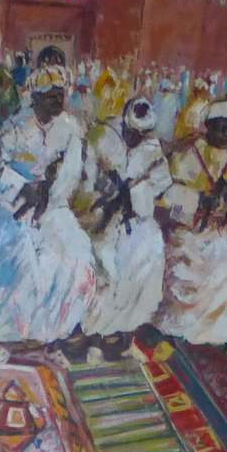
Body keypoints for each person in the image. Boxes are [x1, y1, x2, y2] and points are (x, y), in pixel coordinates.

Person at [0, 63, 94, 349]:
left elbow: (71, 174)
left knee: (75, 252)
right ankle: (14, 333)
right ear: (35, 98)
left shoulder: (71, 128)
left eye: (60, 95)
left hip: (53, 206)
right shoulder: (13, 128)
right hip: (13, 207)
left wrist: (47, 195)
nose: (58, 101)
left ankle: (57, 328)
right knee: (20, 258)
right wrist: (24, 189)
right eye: (50, 96)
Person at [155, 98, 227, 347]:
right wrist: (197, 203)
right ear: (209, 126)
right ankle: (180, 332)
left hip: (224, 230)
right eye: (221, 128)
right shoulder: (185, 155)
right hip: (189, 228)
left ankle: (220, 336)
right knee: (186, 264)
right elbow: (169, 199)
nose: (226, 135)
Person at [79, 96, 171, 358]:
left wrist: (136, 194)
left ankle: (127, 335)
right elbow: (85, 180)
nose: (136, 139)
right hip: (99, 217)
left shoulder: (151, 148)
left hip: (135, 218)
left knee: (149, 254)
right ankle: (94, 337)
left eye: (142, 135)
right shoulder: (101, 136)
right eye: (132, 133)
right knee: (107, 268)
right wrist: (107, 196)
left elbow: (161, 183)